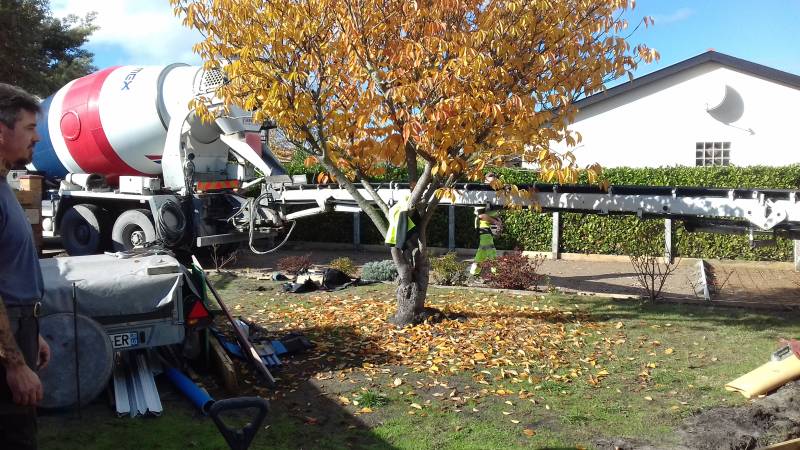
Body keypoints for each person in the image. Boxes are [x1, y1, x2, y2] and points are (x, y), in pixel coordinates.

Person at [0, 83, 51, 450]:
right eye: (30, 128)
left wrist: (32, 334)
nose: (37, 138)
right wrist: (14, 363)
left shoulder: (4, 185)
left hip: (22, 326)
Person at [470, 172, 503, 275]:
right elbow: (481, 215)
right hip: (483, 226)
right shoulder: (481, 194)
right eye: (491, 182)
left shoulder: (494, 193)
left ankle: (474, 273)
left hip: (489, 226)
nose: (493, 184)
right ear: (485, 181)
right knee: (490, 249)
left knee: (482, 251)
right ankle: (497, 273)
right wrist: (496, 222)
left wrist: (498, 222)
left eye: (494, 182)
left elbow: (494, 212)